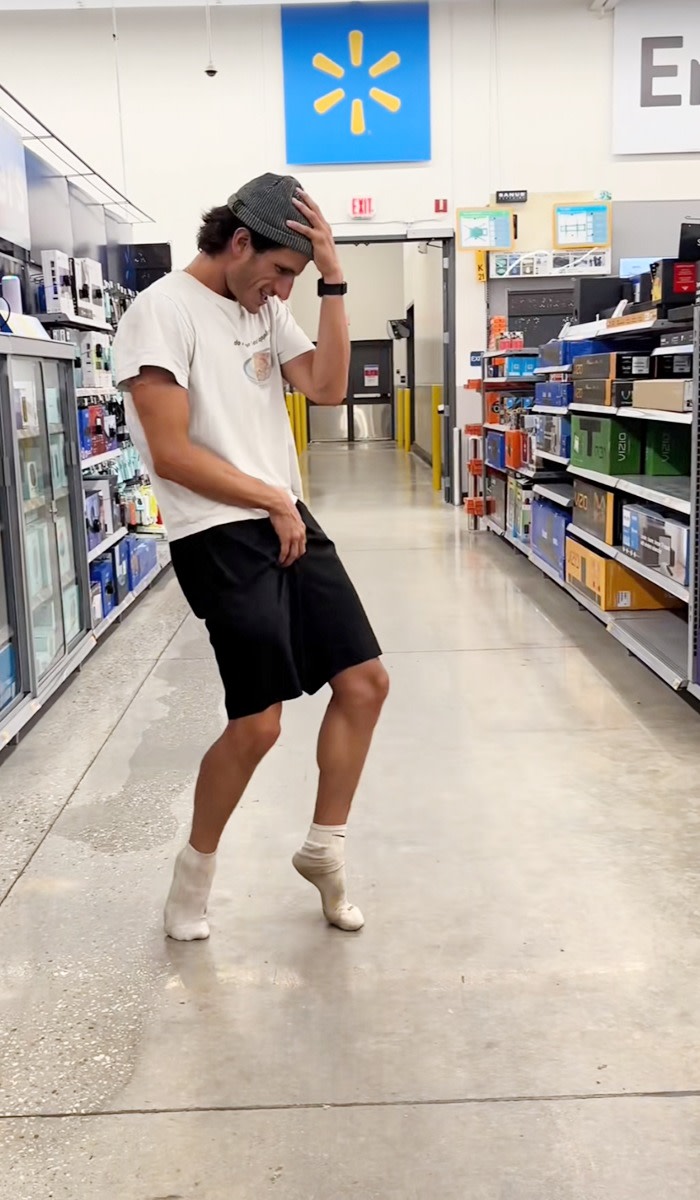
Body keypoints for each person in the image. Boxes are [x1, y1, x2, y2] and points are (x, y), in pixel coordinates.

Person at [113, 173, 389, 942]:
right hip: (216, 533)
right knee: (259, 725)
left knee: (365, 683)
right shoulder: (161, 312)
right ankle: (193, 872)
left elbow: (329, 389)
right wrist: (270, 498)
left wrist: (332, 284)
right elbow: (170, 454)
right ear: (239, 242)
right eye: (279, 272)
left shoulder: (264, 307)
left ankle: (324, 852)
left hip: (284, 516)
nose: (280, 292)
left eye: (295, 280)